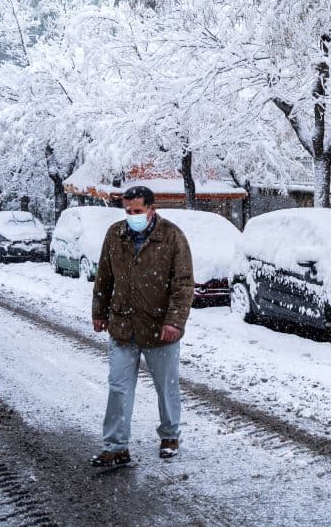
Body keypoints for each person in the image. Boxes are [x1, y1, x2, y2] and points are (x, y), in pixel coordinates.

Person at [89, 185, 195, 467]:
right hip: (123, 325)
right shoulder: (115, 234)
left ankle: (170, 435)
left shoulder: (172, 236)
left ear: (151, 209)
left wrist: (174, 321)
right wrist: (99, 312)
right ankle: (116, 446)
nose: (132, 216)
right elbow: (104, 277)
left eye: (138, 211)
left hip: (159, 326)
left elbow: (183, 284)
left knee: (166, 386)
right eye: (128, 211)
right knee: (118, 387)